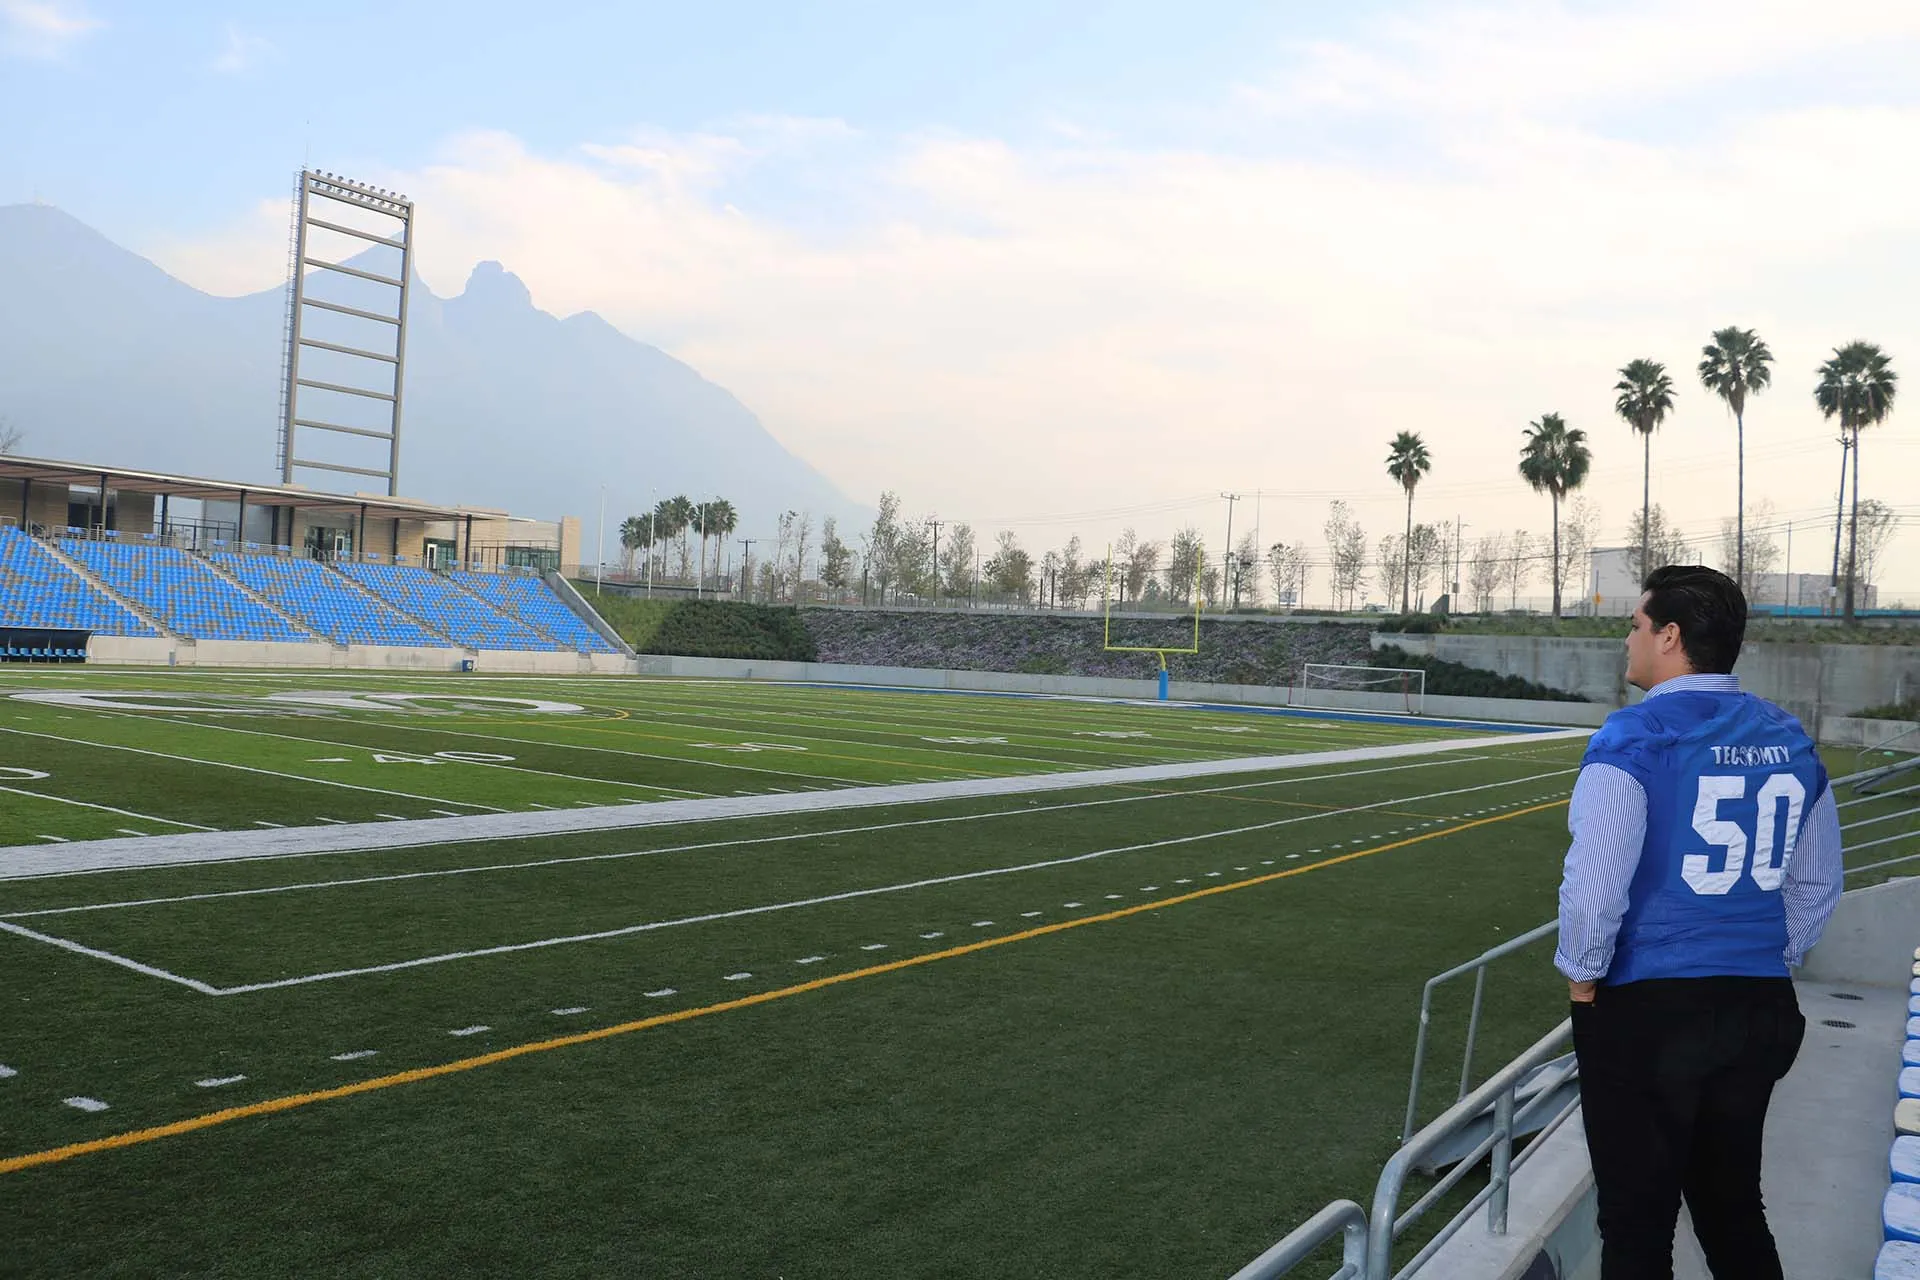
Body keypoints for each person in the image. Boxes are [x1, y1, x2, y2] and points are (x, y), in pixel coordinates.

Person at [1554, 565, 1843, 1280]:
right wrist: (1769, 963)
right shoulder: (1789, 737)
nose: (1628, 638)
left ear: (1671, 635)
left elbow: (1594, 889)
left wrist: (1584, 982)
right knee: (1734, 1208)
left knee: (1636, 1225)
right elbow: (1817, 883)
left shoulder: (1636, 736)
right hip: (1760, 1007)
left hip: (1655, 1011)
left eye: (1637, 623)